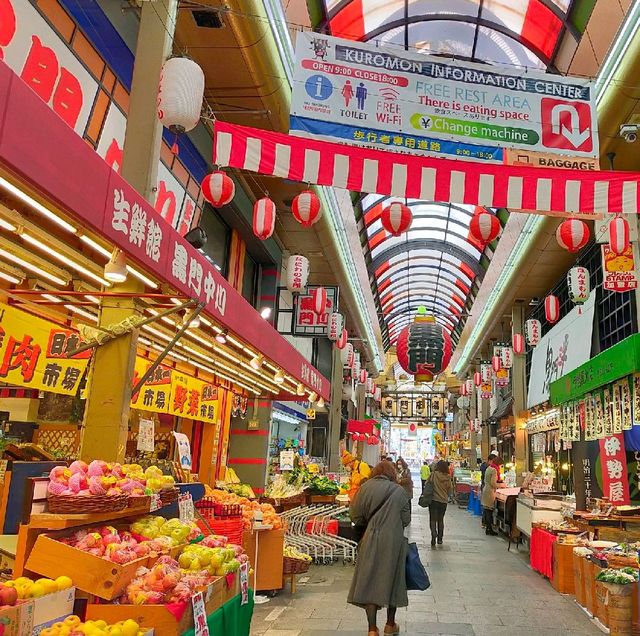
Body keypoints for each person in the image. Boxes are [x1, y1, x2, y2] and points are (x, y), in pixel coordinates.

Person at [348, 460, 411, 636]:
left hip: (370, 538)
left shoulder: (365, 488)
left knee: (369, 579)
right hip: (393, 541)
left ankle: (371, 629)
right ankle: (390, 625)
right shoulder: (399, 491)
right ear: (391, 473)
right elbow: (406, 519)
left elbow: (355, 515)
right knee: (393, 579)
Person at [429, 460, 453, 546]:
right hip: (443, 501)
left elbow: (428, 484)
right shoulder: (448, 477)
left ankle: (433, 534)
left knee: (432, 519)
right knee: (440, 519)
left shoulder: (433, 475)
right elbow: (450, 490)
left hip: (433, 500)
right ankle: (440, 539)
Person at [481, 455, 504, 535]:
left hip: (486, 490)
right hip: (490, 492)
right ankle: (489, 529)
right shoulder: (494, 470)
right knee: (489, 511)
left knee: (487, 510)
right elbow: (493, 483)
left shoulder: (489, 468)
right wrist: (502, 485)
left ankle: (488, 528)